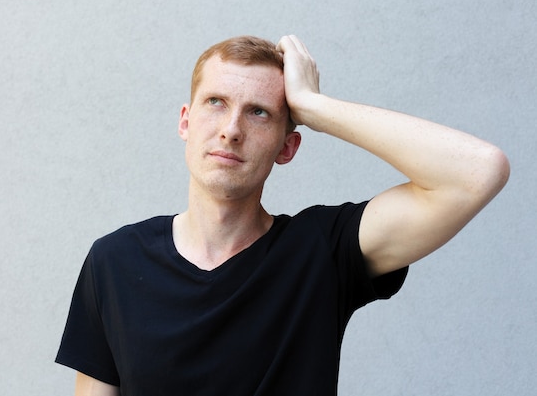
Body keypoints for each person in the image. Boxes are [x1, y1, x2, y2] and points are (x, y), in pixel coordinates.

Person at [56, 35, 509, 395]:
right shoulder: (114, 261)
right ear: (185, 122)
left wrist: (314, 106)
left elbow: (477, 171)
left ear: (287, 146)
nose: (231, 130)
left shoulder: (323, 250)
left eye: (258, 112)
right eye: (216, 102)